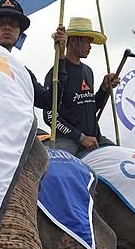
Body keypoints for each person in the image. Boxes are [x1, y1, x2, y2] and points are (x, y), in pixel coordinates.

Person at [42, 17, 119, 157]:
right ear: (72, 41)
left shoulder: (88, 71)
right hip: (69, 141)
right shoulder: (56, 73)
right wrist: (80, 138)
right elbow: (49, 116)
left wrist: (104, 89)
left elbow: (90, 108)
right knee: (60, 168)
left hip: (96, 139)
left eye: (90, 43)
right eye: (86, 42)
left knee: (121, 156)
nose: (89, 47)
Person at [0, 0, 67, 109]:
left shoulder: (22, 73)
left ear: (20, 33)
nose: (7, 27)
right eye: (0, 22)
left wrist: (60, 55)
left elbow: (49, 102)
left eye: (13, 23)